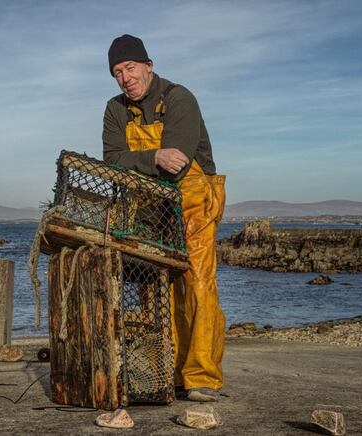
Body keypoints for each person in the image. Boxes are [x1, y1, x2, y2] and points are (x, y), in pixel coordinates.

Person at [102, 34, 226, 402]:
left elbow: (179, 163)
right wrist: (153, 157)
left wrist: (140, 161)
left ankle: (202, 377)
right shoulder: (114, 109)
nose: (125, 78)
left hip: (193, 201)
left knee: (197, 285)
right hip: (148, 206)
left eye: (130, 68)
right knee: (154, 291)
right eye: (117, 72)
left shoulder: (179, 99)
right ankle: (168, 373)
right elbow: (111, 160)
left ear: (148, 66)